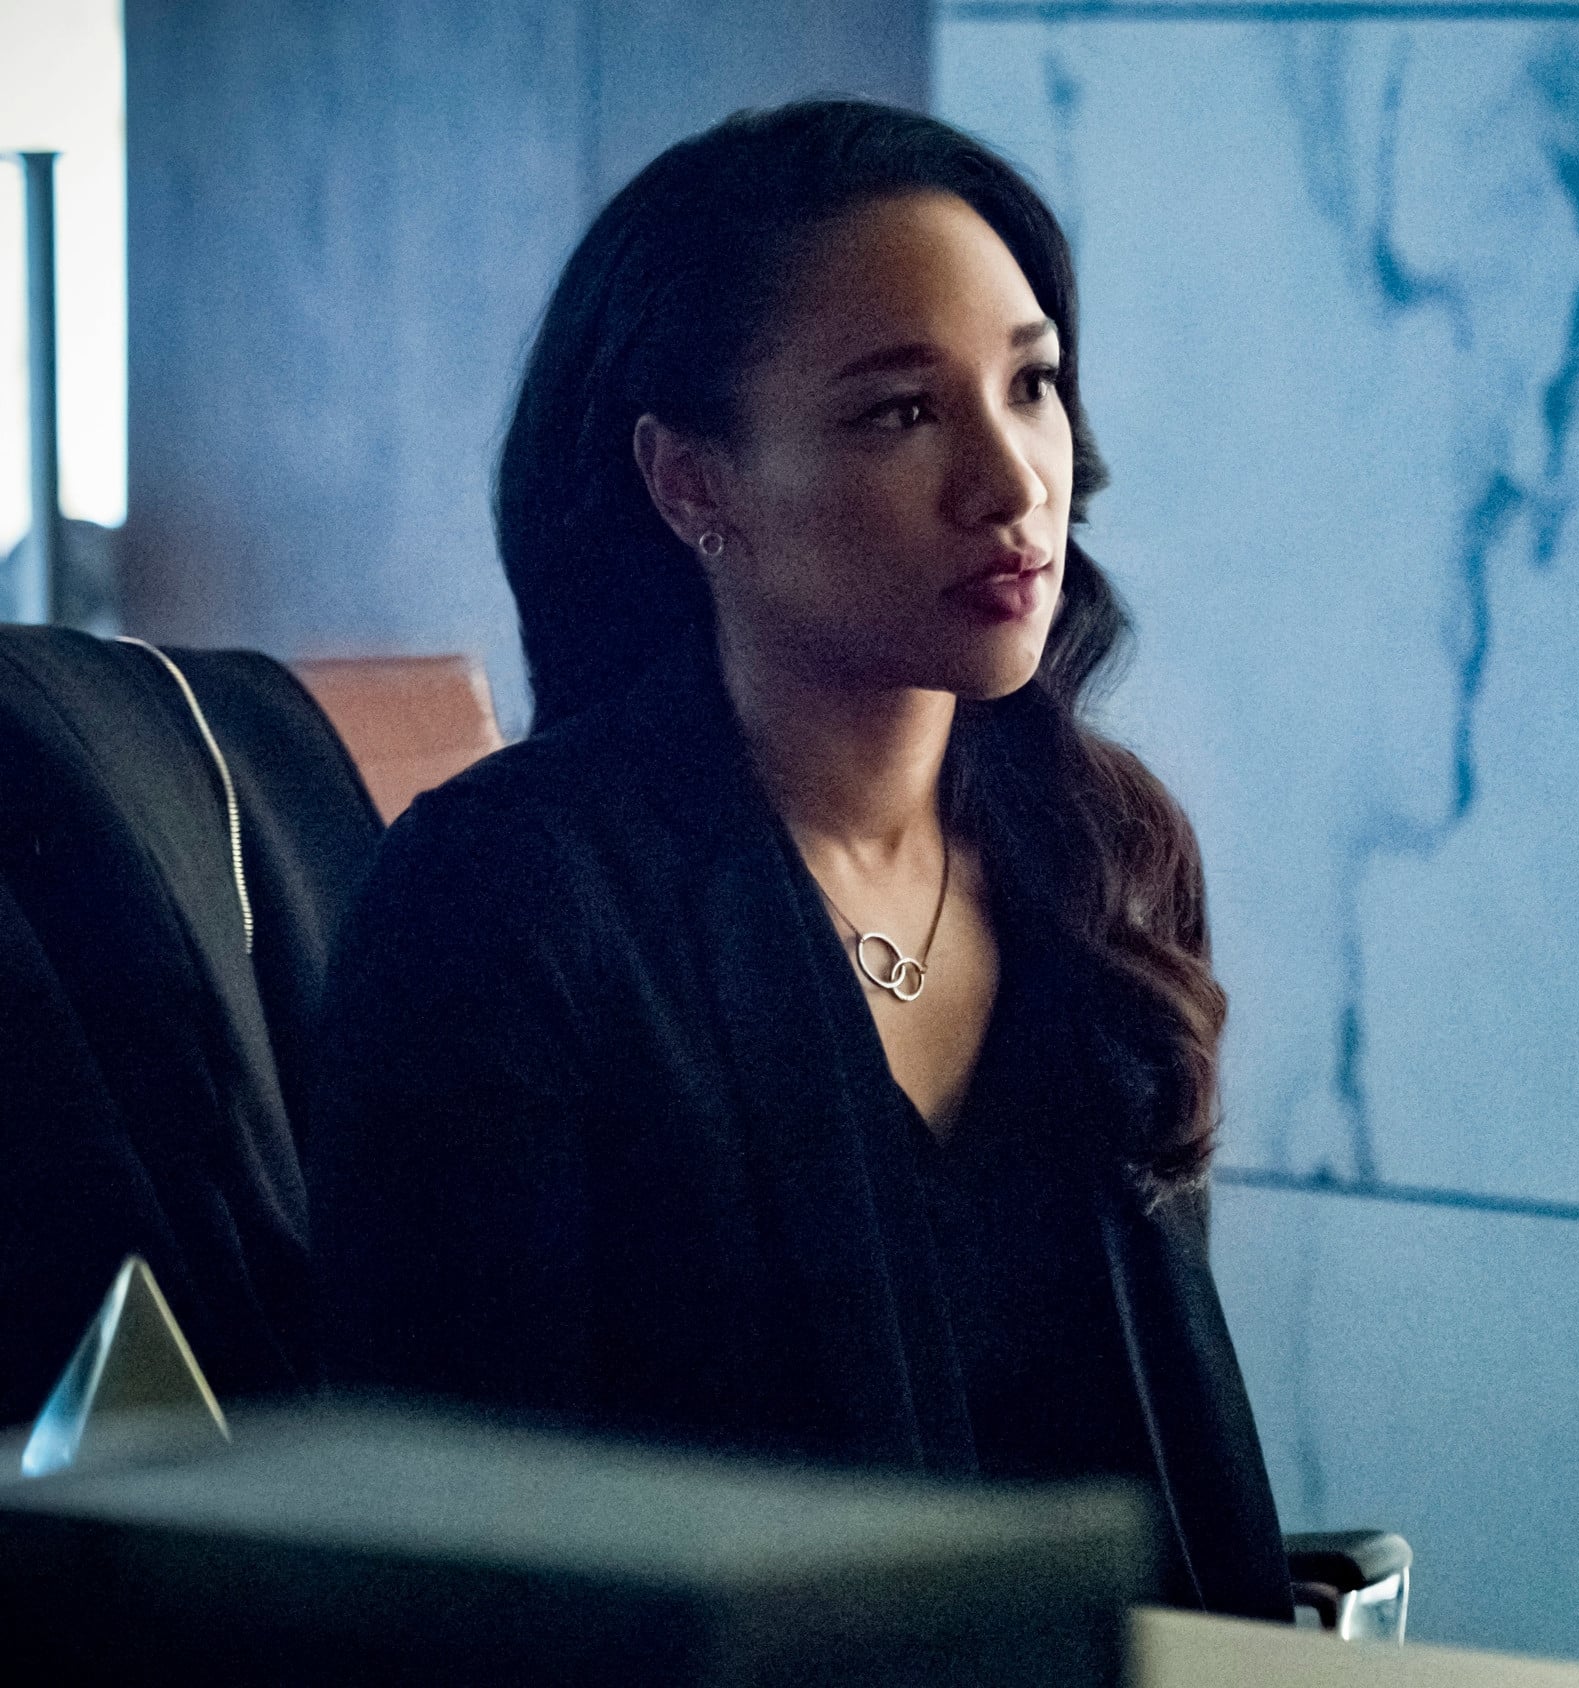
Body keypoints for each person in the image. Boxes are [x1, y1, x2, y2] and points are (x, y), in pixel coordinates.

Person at [303, 100, 1289, 1619]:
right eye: (899, 413)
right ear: (692, 485)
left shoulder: (1105, 849)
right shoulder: (509, 902)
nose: (1014, 482)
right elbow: (454, 1573)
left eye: (1030, 385)